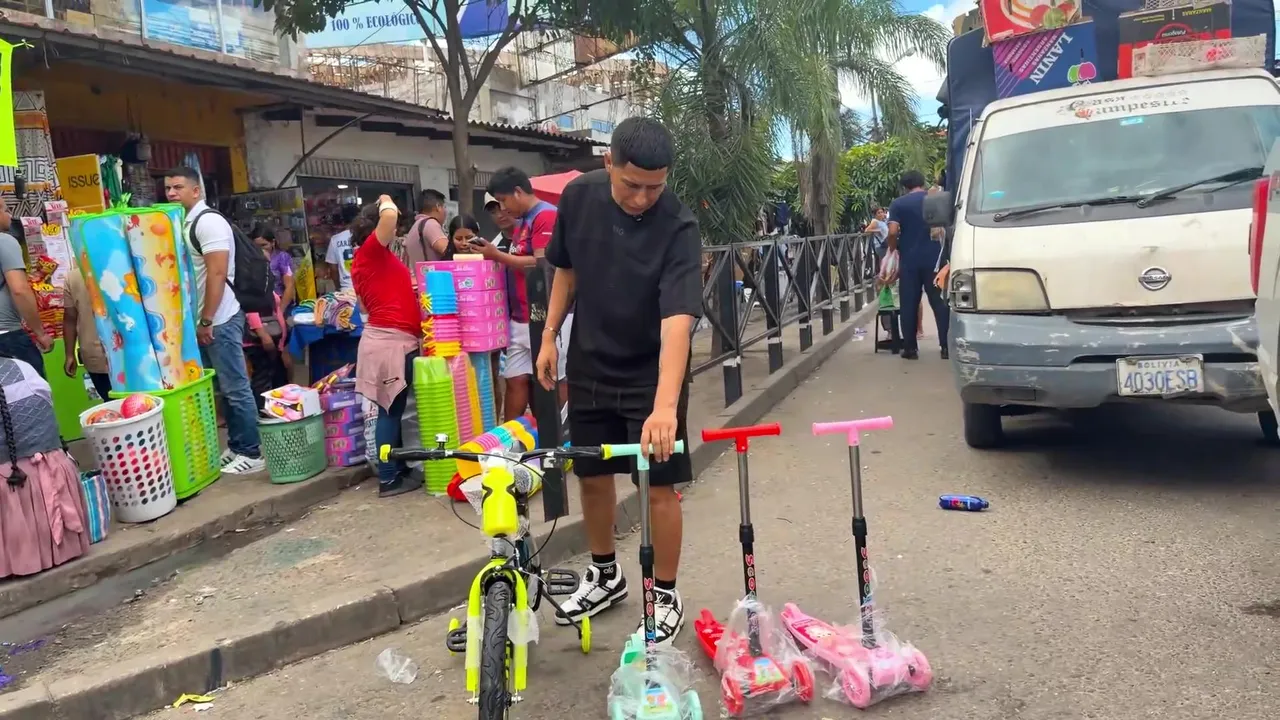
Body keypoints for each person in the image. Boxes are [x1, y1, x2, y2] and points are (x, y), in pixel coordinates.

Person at [535, 117, 701, 644]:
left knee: (657, 484)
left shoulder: (678, 226)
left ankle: (665, 594)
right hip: (590, 362)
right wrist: (549, 335)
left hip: (652, 373)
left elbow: (678, 321)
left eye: (656, 187)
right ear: (608, 163)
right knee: (592, 475)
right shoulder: (579, 198)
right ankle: (605, 573)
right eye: (632, 185)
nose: (643, 199)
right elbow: (566, 270)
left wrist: (665, 406)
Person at [165, 166, 264, 474]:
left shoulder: (208, 222)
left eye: (178, 187)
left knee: (236, 387)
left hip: (220, 317)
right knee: (223, 387)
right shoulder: (186, 221)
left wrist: (207, 320)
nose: (171, 193)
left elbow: (218, 273)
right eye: (168, 188)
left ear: (196, 191)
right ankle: (237, 445)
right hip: (207, 319)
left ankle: (252, 452)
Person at [483, 167, 572, 419]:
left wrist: (497, 255)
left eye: (503, 201)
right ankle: (513, 435)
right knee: (515, 378)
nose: (502, 208)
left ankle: (562, 432)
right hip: (522, 315)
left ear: (518, 192)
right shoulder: (523, 222)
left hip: (548, 314)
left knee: (554, 377)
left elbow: (542, 264)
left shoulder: (546, 216)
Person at [350, 195, 420, 499]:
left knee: (394, 408)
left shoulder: (370, 260)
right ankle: (389, 479)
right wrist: (386, 200)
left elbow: (368, 303)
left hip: (390, 340)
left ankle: (397, 467)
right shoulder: (370, 252)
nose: (395, 230)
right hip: (390, 343)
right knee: (390, 411)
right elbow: (389, 217)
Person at [887, 170, 949, 361]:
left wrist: (892, 249)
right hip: (935, 259)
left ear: (905, 186)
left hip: (909, 261)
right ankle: (946, 347)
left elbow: (892, 231)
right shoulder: (936, 199)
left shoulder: (898, 204)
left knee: (909, 304)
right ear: (922, 182)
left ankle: (910, 349)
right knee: (939, 303)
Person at [0, 209, 51, 375]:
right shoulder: (4, 242)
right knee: (29, 389)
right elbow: (19, 290)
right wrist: (40, 333)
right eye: (5, 209)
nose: (10, 215)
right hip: (7, 337)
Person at [62, 266, 112, 400]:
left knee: (112, 404)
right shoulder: (129, 265)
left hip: (94, 354)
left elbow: (70, 319)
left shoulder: (73, 276)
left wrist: (69, 354)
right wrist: (69, 354)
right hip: (134, 354)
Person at [243, 292, 288, 408]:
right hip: (258, 342)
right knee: (262, 380)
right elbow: (250, 310)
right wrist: (263, 334)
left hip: (272, 339)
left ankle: (272, 410)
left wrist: (281, 342)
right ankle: (262, 410)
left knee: (275, 377)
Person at [403, 189, 450, 273]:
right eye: (444, 207)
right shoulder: (431, 224)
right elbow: (447, 250)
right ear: (438, 207)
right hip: (434, 278)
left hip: (422, 278)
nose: (445, 211)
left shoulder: (416, 226)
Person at [252, 225, 295, 311]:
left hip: (280, 303)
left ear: (273, 242)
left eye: (263, 245)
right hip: (258, 306)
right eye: (256, 246)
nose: (260, 249)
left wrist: (280, 310)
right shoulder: (250, 259)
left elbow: (289, 286)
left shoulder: (282, 258)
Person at [324, 204, 360, 292]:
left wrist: (338, 287)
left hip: (346, 289)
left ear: (343, 220)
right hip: (365, 288)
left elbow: (333, 269)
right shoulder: (365, 237)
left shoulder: (335, 239)